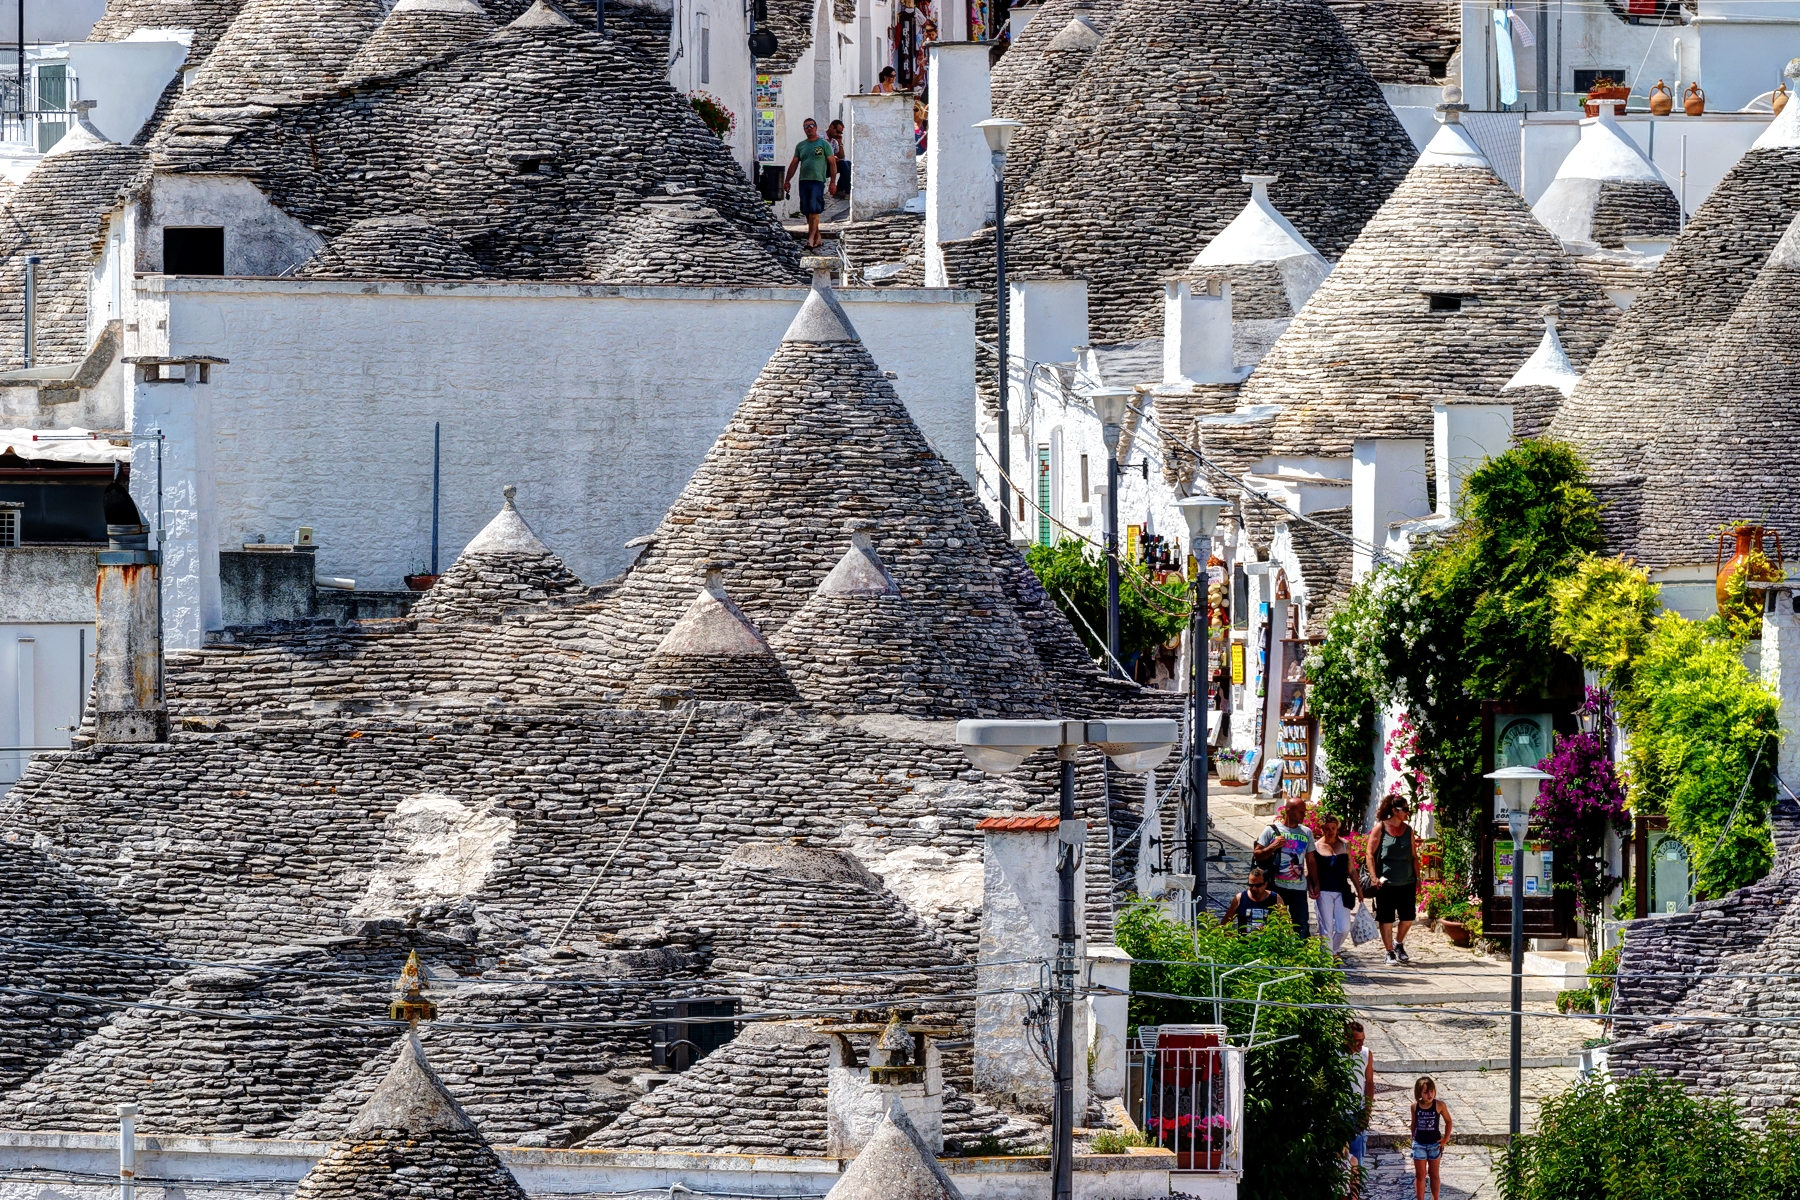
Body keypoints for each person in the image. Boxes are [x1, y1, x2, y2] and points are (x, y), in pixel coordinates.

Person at [1363, 796, 1421, 964]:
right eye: (1405, 809)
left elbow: (1414, 856)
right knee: (1386, 917)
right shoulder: (1380, 828)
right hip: (1386, 882)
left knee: (1408, 917)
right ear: (1395, 811)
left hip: (1407, 880)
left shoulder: (1408, 830)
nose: (1407, 812)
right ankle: (1389, 951)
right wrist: (1373, 877)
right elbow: (1369, 854)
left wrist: (1417, 878)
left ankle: (1398, 943)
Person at [1254, 796, 1316, 938]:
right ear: (1289, 811)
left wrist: (1315, 883)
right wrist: (1273, 845)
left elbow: (1311, 860)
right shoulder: (1271, 830)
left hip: (1298, 888)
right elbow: (1257, 854)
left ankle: (1302, 957)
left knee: (1301, 927)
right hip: (1276, 886)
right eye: (1300, 812)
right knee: (1273, 923)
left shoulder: (1306, 832)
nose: (1304, 815)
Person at [782, 118, 838, 248]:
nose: (809, 128)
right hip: (804, 181)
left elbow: (832, 163)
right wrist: (787, 180)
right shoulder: (801, 146)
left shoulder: (824, 144)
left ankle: (811, 239)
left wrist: (833, 182)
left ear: (816, 127)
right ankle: (818, 237)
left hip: (817, 181)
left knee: (814, 210)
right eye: (806, 126)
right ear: (804, 129)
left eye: (811, 125)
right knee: (807, 211)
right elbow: (794, 164)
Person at [1312, 811, 1360, 954]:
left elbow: (1351, 870)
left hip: (1342, 891)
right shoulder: (1316, 847)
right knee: (1326, 928)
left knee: (1343, 928)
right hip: (1324, 891)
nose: (1330, 831)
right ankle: (1327, 962)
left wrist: (1359, 891)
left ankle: (1331, 952)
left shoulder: (1345, 845)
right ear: (1322, 829)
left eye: (1333, 828)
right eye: (1327, 828)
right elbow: (1311, 869)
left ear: (1337, 827)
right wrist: (1313, 886)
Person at [1410, 1076, 1453, 1200]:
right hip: (1419, 1144)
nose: (1429, 1094)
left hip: (1435, 1144)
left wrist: (1445, 1138)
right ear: (1419, 1093)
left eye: (1431, 1091)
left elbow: (1448, 1121)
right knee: (1420, 1175)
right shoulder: (1414, 1106)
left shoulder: (1439, 1105)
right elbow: (1413, 1124)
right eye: (1425, 1092)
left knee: (1434, 1174)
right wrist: (1413, 1138)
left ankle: (1435, 1198)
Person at [1345, 1023, 1374, 1197]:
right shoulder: (1336, 1054)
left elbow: (1369, 1083)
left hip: (1357, 1114)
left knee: (1357, 1164)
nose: (1360, 1044)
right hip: (1339, 1115)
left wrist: (1367, 1112)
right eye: (1356, 1041)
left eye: (1362, 1040)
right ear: (1346, 1038)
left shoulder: (1366, 1054)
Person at [1223, 867, 1281, 933]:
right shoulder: (1240, 898)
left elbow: (1285, 923)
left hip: (1267, 942)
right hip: (1244, 942)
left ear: (1265, 884)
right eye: (1251, 885)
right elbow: (1225, 923)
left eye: (1258, 885)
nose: (1254, 889)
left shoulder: (1275, 898)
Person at [826, 119, 850, 194]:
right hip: (823, 166)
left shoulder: (834, 141)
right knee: (843, 164)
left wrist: (840, 143)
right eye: (838, 132)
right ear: (831, 127)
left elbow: (841, 157)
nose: (839, 134)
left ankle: (841, 189)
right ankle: (845, 191)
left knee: (848, 163)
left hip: (832, 166)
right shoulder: (821, 138)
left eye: (840, 133)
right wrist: (834, 158)